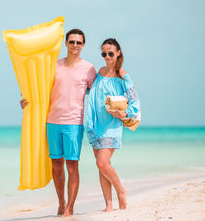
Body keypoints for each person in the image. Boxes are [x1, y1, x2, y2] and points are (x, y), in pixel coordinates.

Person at [20, 28, 97, 217]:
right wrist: (27, 101)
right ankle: (61, 202)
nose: (75, 46)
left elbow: (97, 94)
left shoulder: (89, 68)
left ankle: (70, 207)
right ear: (66, 43)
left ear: (83, 45)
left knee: (72, 165)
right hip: (52, 121)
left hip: (73, 123)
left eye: (79, 42)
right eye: (72, 42)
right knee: (56, 163)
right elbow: (40, 89)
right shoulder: (55, 66)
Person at [85, 38, 140, 212]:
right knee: (101, 166)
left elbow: (135, 102)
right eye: (104, 53)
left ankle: (121, 191)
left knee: (102, 163)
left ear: (118, 53)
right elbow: (90, 92)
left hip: (112, 126)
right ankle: (108, 205)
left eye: (110, 53)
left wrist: (123, 114)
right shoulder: (99, 72)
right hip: (96, 125)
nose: (107, 56)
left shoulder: (123, 76)